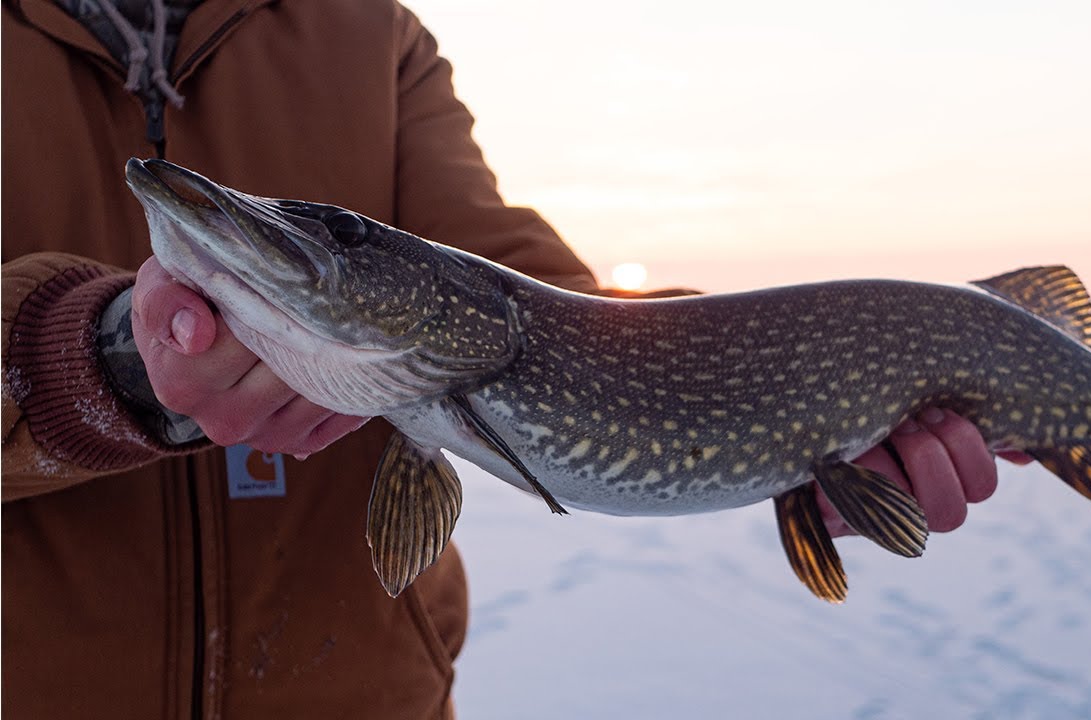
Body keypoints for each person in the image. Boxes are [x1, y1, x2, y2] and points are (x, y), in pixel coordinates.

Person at [2, 1, 1019, 717]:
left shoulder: (369, 33)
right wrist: (95, 370)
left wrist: (795, 399)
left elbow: (521, 282)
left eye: (338, 238)